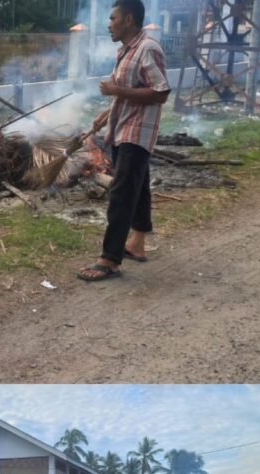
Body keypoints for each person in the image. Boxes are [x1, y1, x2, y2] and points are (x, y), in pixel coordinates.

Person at [77, 0, 170, 282]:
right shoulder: (126, 51)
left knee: (120, 193)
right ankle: (137, 244)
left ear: (128, 20)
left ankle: (110, 259)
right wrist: (107, 113)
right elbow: (129, 92)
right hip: (122, 127)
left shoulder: (147, 49)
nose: (109, 24)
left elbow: (161, 91)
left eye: (113, 18)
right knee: (138, 187)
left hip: (137, 131)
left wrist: (116, 89)